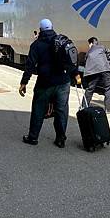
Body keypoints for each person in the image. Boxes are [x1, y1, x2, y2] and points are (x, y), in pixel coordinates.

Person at [19, 18, 80, 148]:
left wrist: (24, 83)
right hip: (63, 82)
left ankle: (33, 137)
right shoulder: (61, 41)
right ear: (52, 27)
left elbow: (29, 66)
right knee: (61, 111)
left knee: (38, 109)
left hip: (45, 83)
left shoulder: (36, 45)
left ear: (40, 30)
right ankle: (60, 139)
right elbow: (70, 59)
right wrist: (76, 74)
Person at [83, 37, 110, 114]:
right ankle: (108, 109)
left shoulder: (89, 52)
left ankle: (84, 106)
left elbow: (86, 62)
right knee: (108, 88)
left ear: (90, 44)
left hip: (93, 71)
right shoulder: (103, 48)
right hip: (105, 70)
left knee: (90, 89)